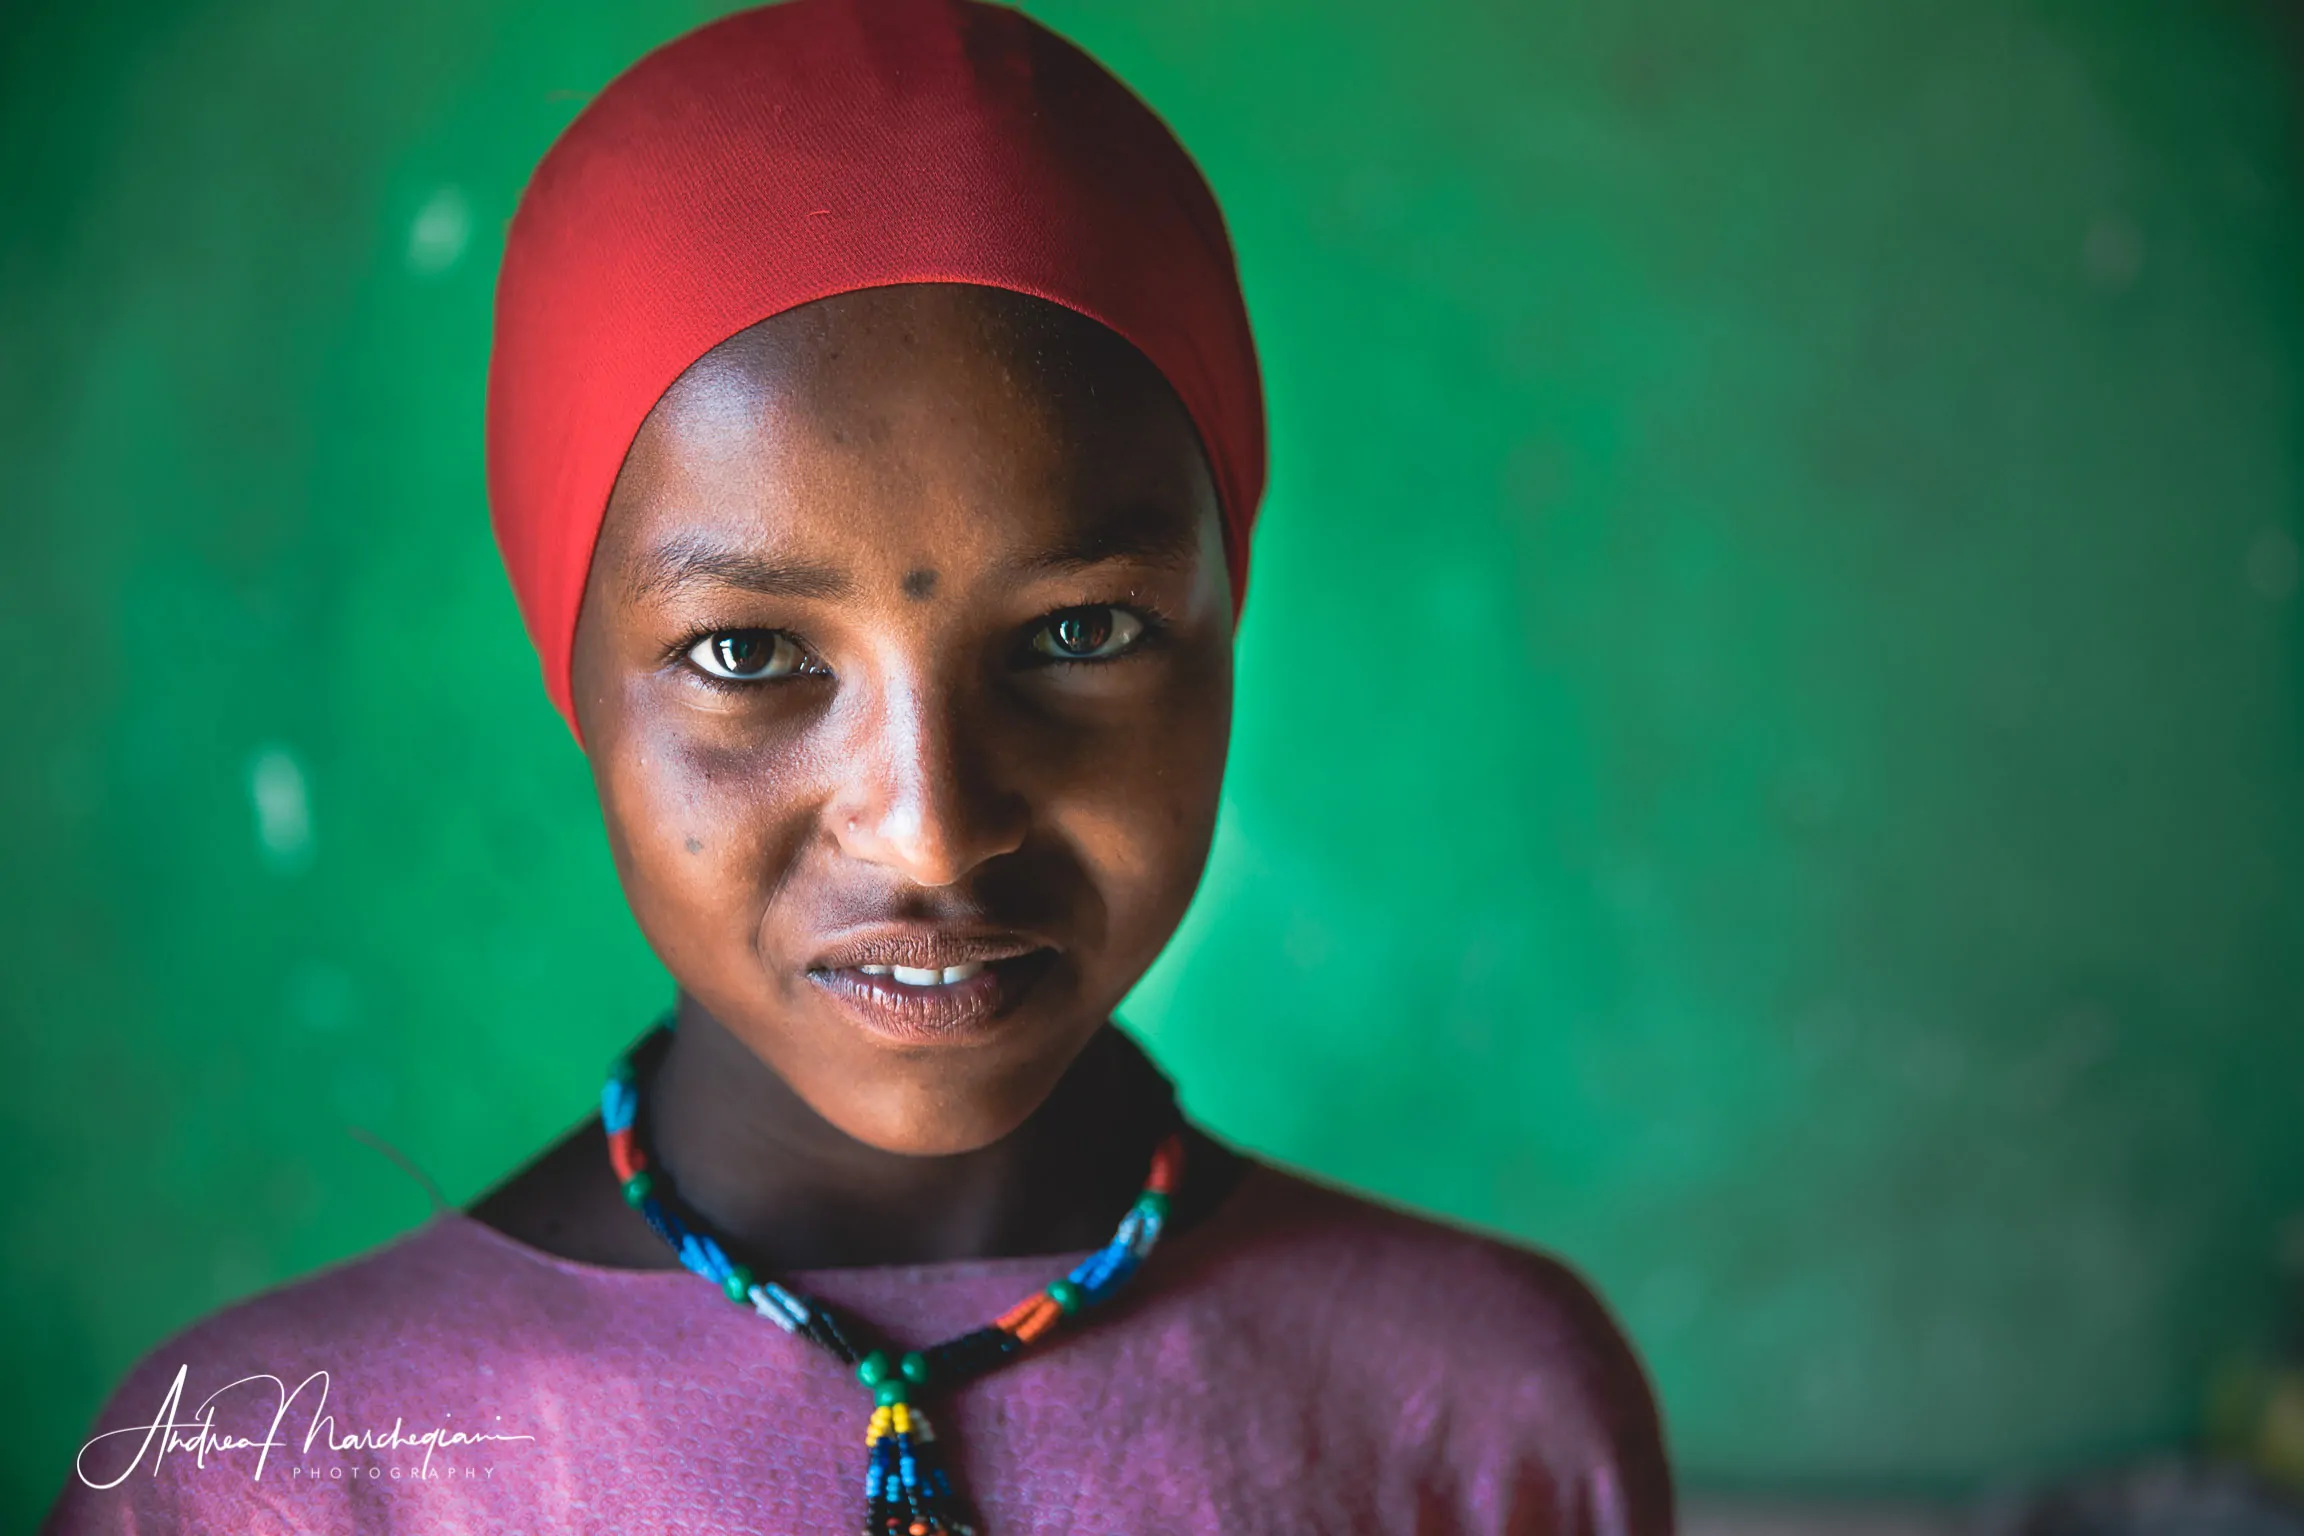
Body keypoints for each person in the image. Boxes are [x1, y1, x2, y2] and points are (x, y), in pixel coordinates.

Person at [45, 2, 1672, 1531]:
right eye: (750, 656)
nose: (935, 828)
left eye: (1084, 631)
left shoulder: (1486, 1411)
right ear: (578, 670)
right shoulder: (276, 1466)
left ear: (1225, 615)